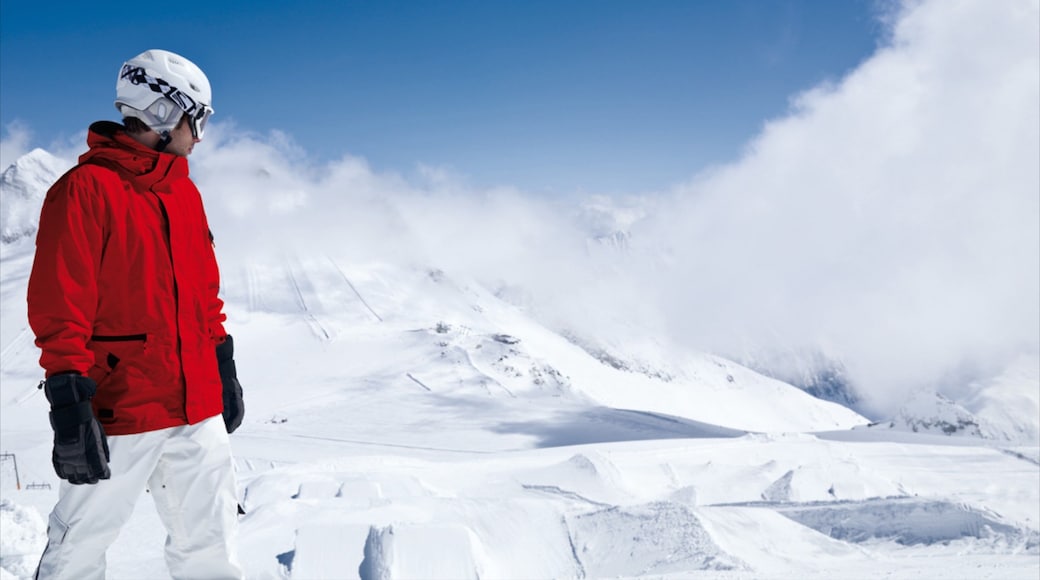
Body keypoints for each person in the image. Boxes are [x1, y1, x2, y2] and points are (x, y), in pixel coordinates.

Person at [27, 48, 245, 580]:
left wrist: (221, 363)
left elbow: (204, 294)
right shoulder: (84, 191)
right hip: (121, 409)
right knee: (78, 550)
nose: (199, 136)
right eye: (197, 120)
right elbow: (60, 303)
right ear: (164, 113)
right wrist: (70, 404)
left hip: (197, 409)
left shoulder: (185, 192)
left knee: (213, 547)